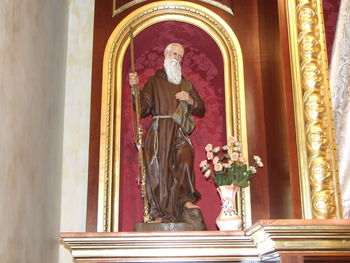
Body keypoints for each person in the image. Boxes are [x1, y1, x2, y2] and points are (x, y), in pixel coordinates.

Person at [129, 43, 206, 223]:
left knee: (185, 160)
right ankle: (160, 214)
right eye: (174, 54)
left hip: (179, 130)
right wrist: (135, 89)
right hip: (160, 132)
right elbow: (143, 108)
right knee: (159, 172)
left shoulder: (186, 84)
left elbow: (201, 108)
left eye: (180, 56)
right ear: (165, 54)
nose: (177, 58)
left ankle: (185, 200)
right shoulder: (154, 82)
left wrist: (189, 99)